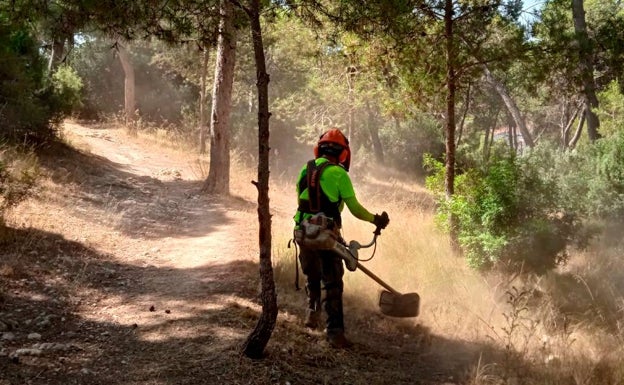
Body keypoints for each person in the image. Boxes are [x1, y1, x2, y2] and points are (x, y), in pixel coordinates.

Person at [293, 128, 389, 349]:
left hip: (302, 232)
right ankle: (335, 334)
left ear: (320, 149)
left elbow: (302, 201)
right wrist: (376, 220)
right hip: (326, 235)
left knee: (312, 275)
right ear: (343, 153)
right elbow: (355, 209)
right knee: (333, 282)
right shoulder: (339, 174)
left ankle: (311, 316)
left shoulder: (304, 169)